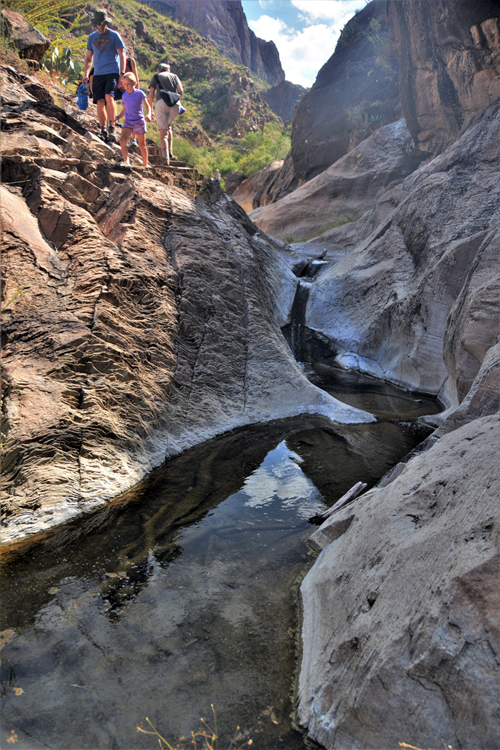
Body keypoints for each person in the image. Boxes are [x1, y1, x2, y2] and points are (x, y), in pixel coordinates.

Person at [82, 9, 126, 144]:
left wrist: (122, 74)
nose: (100, 27)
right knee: (99, 101)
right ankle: (103, 129)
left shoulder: (114, 36)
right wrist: (86, 74)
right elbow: (89, 58)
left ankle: (112, 126)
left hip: (112, 71)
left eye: (102, 24)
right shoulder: (92, 37)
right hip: (98, 73)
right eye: (98, 24)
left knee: (109, 96)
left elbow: (122, 55)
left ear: (106, 23)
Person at [148, 62, 183, 162]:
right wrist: (175, 99)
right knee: (169, 125)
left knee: (163, 133)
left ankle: (166, 158)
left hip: (161, 103)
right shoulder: (174, 76)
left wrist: (150, 110)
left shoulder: (156, 76)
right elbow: (181, 90)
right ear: (168, 69)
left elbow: (151, 95)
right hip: (175, 104)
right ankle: (171, 151)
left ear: (159, 70)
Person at [116, 72, 152, 168]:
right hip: (128, 121)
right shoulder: (124, 95)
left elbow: (147, 105)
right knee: (122, 140)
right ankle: (126, 161)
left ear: (134, 83)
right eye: (124, 84)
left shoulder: (139, 93)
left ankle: (145, 165)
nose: (126, 86)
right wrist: (118, 117)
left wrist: (148, 114)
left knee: (142, 144)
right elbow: (124, 110)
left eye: (128, 84)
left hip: (139, 121)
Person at [114, 54, 140, 148]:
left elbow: (135, 76)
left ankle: (134, 139)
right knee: (111, 101)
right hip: (118, 87)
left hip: (130, 89)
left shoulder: (130, 60)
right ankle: (114, 120)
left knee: (132, 112)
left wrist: (137, 91)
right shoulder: (113, 58)